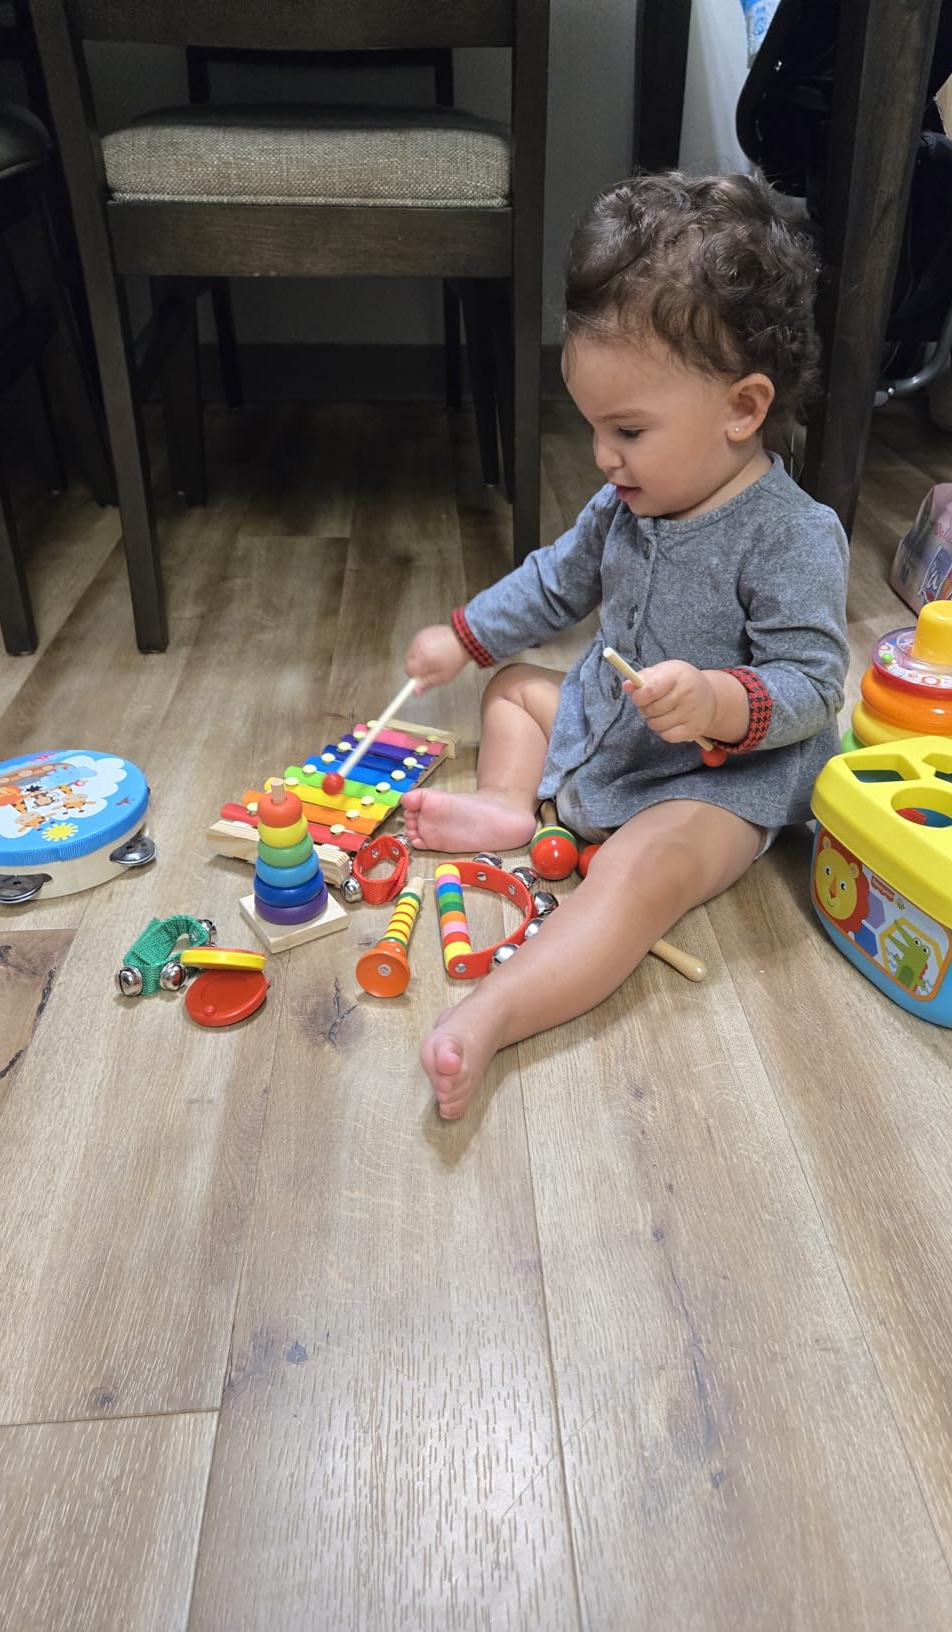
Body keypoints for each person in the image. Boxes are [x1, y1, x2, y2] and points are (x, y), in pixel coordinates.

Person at [401, 171, 849, 1119]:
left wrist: (722, 703)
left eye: (629, 429)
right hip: (617, 728)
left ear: (743, 408)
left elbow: (813, 685)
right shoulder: (623, 501)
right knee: (519, 689)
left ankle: (495, 1012)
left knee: (642, 876)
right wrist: (464, 638)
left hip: (714, 782)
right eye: (595, 427)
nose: (604, 456)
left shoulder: (793, 535)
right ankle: (504, 806)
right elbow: (554, 580)